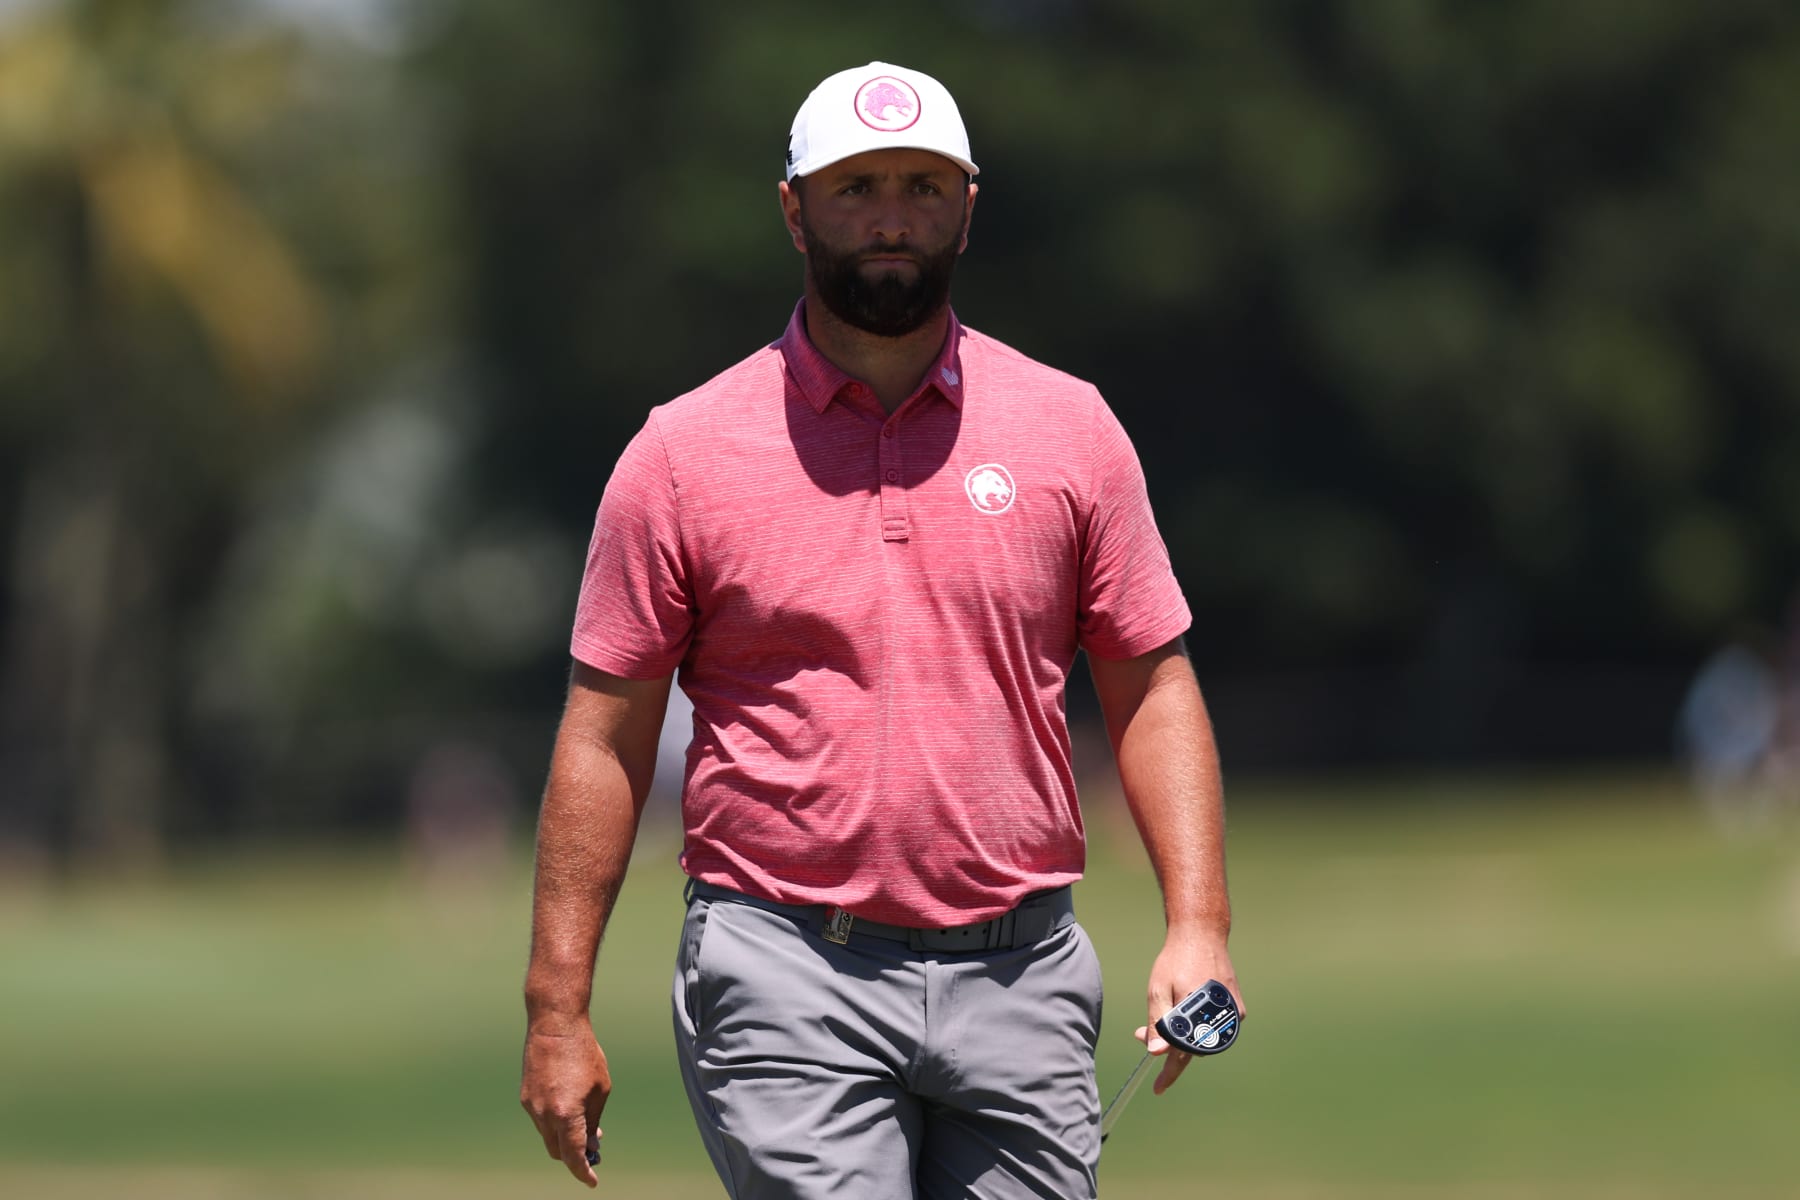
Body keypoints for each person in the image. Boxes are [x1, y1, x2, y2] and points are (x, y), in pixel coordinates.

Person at [519, 61, 1241, 1198]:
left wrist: (1198, 925)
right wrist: (556, 1009)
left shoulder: (1071, 430)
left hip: (1026, 969)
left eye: (921, 184)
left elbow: (1152, 686)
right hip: (785, 965)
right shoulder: (681, 454)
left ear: (968, 204)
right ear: (794, 208)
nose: (892, 216)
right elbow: (605, 739)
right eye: (856, 188)